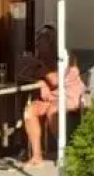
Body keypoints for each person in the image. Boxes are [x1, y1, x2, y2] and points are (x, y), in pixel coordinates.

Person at [19, 26, 85, 167]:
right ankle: (37, 157)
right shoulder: (40, 58)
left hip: (69, 97)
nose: (36, 44)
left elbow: (56, 80)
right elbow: (23, 75)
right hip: (51, 99)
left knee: (53, 112)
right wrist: (40, 82)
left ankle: (67, 153)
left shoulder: (66, 56)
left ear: (50, 41)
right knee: (29, 111)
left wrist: (39, 66)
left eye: (39, 40)